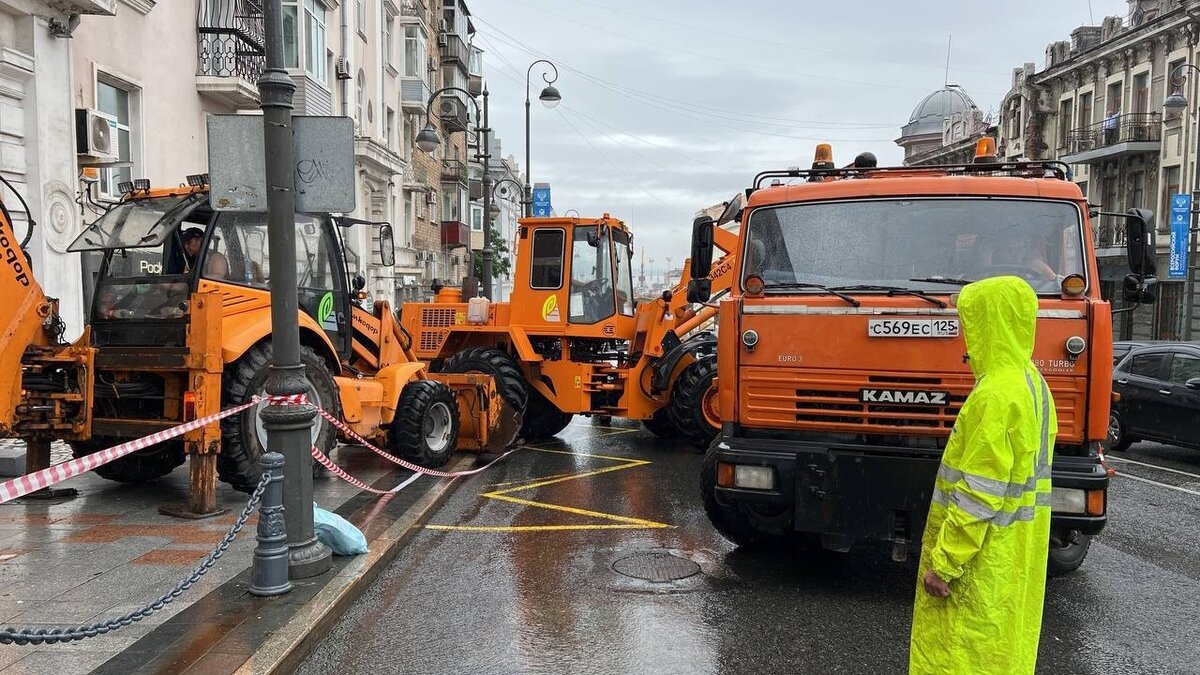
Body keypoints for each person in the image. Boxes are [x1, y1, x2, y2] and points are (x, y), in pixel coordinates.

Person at [909, 276, 1056, 675]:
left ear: (989, 322)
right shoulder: (1033, 383)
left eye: (970, 323)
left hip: (979, 561)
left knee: (958, 655)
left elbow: (979, 494)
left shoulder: (996, 395)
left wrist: (946, 563)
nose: (965, 336)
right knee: (1001, 655)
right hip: (1015, 556)